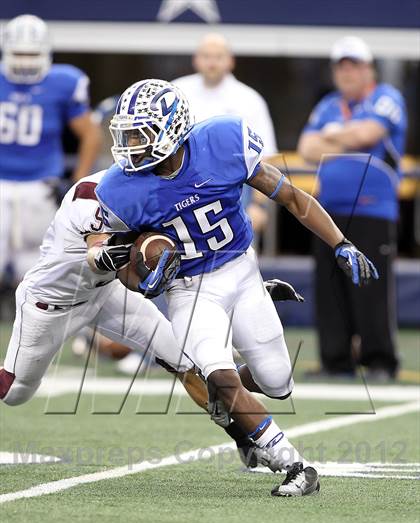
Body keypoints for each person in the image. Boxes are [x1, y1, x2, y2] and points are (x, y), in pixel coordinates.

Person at [92, 79, 378, 496]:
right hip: (189, 289)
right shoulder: (120, 189)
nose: (130, 144)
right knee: (217, 371)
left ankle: (232, 408)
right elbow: (123, 265)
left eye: (141, 133)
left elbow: (293, 199)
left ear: (172, 128)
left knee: (277, 381)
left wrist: (341, 241)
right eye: (128, 133)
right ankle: (293, 464)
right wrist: (145, 282)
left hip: (241, 271)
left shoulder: (221, 142)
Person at [0, 168, 304, 469]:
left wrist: (249, 289)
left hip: (107, 293)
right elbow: (96, 255)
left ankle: (244, 438)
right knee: (15, 392)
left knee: (185, 360)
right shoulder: (94, 193)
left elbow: (176, 262)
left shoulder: (153, 191)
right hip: (51, 303)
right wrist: (112, 254)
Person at [297, 36, 407, 381]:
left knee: (372, 287)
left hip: (373, 209)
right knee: (331, 287)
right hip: (328, 209)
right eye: (341, 67)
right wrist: (345, 133)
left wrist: (332, 136)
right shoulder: (329, 104)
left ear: (368, 68)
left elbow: (368, 133)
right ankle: (336, 360)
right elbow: (306, 148)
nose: (347, 73)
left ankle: (379, 361)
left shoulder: (387, 97)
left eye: (354, 65)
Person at [0, 14, 101, 283]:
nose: (24, 61)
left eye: (31, 54)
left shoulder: (64, 81)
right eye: (19, 53)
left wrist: (77, 180)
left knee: (36, 266)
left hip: (41, 184)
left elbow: (90, 134)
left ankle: (28, 322)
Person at [173, 33, 277, 234]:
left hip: (235, 192)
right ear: (196, 60)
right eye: (206, 56)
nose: (212, 62)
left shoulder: (249, 99)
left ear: (230, 61)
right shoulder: (176, 91)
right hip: (179, 191)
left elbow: (266, 157)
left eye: (218, 56)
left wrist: (259, 205)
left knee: (236, 258)